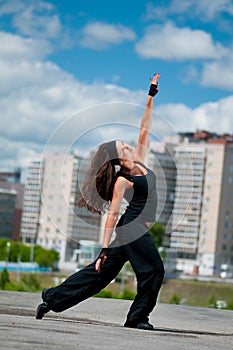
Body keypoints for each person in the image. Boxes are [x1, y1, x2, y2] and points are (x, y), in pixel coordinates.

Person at [36, 73, 164, 330]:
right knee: (154, 271)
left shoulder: (139, 160)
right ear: (117, 156)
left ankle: (51, 299)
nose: (128, 146)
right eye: (122, 146)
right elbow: (113, 214)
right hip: (132, 229)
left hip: (135, 229)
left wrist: (151, 95)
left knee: (101, 274)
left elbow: (144, 128)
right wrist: (104, 248)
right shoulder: (122, 180)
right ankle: (137, 318)